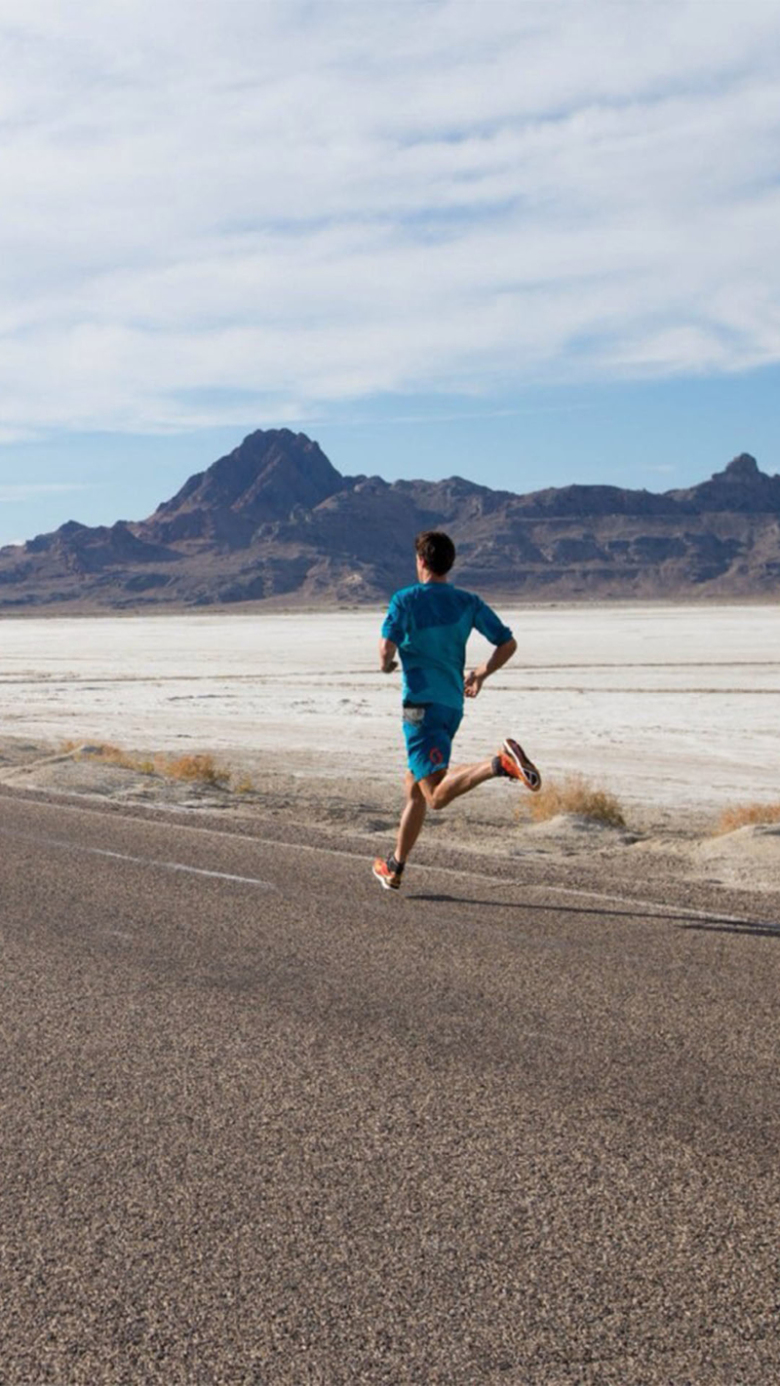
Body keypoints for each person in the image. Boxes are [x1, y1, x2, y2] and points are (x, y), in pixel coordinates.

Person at [373, 529, 541, 891]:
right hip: (452, 706)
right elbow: (507, 643)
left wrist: (387, 665)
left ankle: (499, 763)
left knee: (433, 794)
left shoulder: (405, 600)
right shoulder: (468, 601)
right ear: (449, 564)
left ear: (420, 561)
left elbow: (385, 649)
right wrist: (480, 673)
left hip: (420, 708)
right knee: (415, 786)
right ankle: (395, 866)